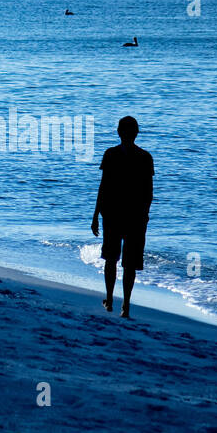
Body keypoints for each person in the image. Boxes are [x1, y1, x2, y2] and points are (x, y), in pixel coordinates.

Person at [91, 115, 154, 319]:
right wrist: (145, 215)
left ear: (119, 132)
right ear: (136, 133)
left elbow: (103, 187)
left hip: (113, 214)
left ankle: (109, 299)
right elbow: (148, 193)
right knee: (129, 263)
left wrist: (95, 214)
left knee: (111, 258)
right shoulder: (145, 157)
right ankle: (125, 305)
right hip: (135, 217)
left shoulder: (111, 154)